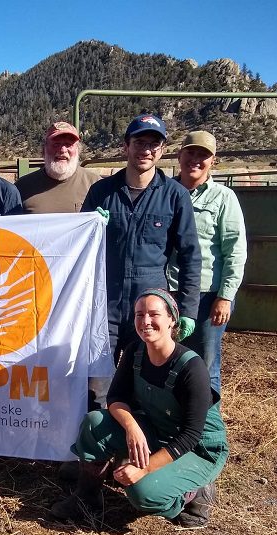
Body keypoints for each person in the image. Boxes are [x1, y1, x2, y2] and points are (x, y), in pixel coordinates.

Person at [51, 289, 229, 528]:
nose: (145, 321)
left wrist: (144, 469)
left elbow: (191, 435)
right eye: (139, 314)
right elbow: (115, 397)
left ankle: (193, 492)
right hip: (156, 430)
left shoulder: (191, 368)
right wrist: (131, 426)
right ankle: (87, 499)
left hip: (195, 449)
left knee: (143, 492)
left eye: (154, 314)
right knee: (95, 423)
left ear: (171, 320)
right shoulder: (135, 351)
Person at [81, 114, 202, 397]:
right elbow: (81, 248)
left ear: (162, 150)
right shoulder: (102, 192)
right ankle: (99, 436)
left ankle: (140, 438)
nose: (146, 149)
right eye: (139, 142)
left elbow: (190, 256)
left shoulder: (174, 195)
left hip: (149, 308)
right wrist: (89, 224)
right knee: (97, 384)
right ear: (126, 146)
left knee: (147, 383)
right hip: (105, 307)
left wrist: (187, 310)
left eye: (154, 144)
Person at [168, 131, 247, 394]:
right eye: (191, 152)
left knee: (205, 364)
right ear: (179, 155)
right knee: (167, 360)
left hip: (207, 296)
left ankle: (207, 428)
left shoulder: (223, 198)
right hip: (168, 293)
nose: (195, 159)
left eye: (203, 155)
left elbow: (235, 250)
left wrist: (225, 297)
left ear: (213, 161)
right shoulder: (164, 192)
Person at [16, 121, 101, 214]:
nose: (63, 150)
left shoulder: (96, 184)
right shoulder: (22, 187)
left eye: (69, 144)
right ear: (44, 149)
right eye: (56, 144)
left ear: (78, 149)